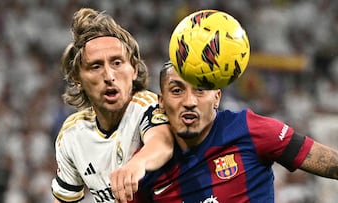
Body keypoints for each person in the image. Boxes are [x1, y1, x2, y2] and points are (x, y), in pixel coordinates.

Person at [113, 61, 338, 203]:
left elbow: (332, 164)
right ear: (160, 102)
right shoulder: (144, 167)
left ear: (217, 98)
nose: (189, 101)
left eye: (200, 90)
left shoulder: (251, 129)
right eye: (177, 90)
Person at [50, 8, 174, 203]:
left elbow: (162, 143)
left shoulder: (145, 106)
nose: (109, 76)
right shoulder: (71, 135)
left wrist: (137, 164)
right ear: (77, 79)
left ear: (134, 69)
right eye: (96, 66)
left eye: (117, 63)